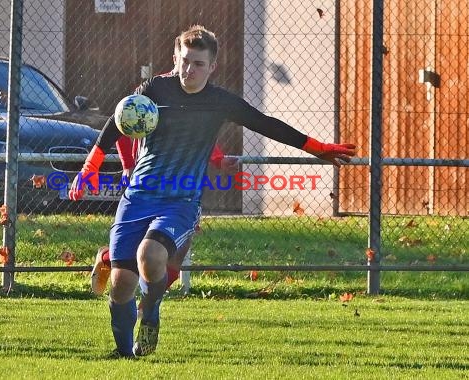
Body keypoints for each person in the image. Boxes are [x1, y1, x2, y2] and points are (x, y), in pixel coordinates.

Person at [70, 25, 356, 359]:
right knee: (120, 285)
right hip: (138, 197)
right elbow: (122, 120)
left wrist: (316, 146)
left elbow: (265, 123)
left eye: (198, 64)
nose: (189, 70)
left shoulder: (221, 103)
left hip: (180, 201)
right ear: (175, 57)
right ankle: (124, 356)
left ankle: (149, 315)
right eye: (185, 61)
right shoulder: (155, 89)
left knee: (151, 255)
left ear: (212, 67)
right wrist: (91, 165)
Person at [90, 141, 239, 297]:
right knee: (144, 250)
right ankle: (108, 258)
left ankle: (146, 308)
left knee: (177, 249)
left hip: (185, 188)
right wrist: (128, 163)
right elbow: (121, 122)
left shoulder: (193, 120)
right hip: (149, 182)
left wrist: (218, 159)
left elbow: (201, 131)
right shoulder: (155, 119)